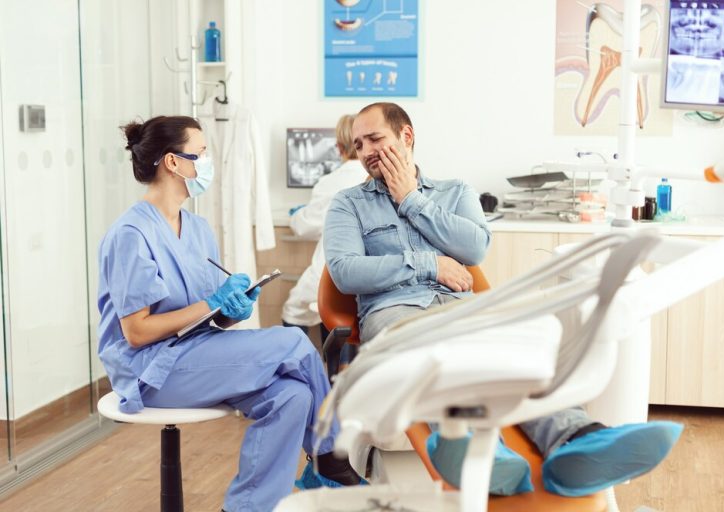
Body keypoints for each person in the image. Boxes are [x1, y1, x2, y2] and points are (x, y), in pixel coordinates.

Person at [323, 102, 683, 497]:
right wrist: (430, 264)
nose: (367, 151)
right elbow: (345, 270)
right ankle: (482, 454)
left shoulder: (454, 192)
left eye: (376, 138)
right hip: (395, 314)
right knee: (428, 354)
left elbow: (475, 248)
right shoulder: (348, 204)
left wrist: (411, 198)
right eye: (359, 145)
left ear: (406, 136)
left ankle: (579, 440)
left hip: (463, 305)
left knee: (521, 349)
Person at [97, 115, 361, 512]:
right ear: (173, 162)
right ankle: (332, 458)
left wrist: (231, 309)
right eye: (201, 153)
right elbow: (136, 331)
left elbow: (206, 317)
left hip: (198, 355)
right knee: (291, 340)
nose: (207, 162)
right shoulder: (131, 234)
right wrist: (212, 303)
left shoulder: (198, 228)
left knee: (292, 395)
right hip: (151, 370)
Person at [282, 114, 368, 341]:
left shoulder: (332, 182)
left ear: (339, 147)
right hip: (367, 275)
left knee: (294, 308)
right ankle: (338, 366)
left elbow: (305, 226)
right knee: (336, 313)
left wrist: (297, 215)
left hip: (332, 272)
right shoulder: (377, 177)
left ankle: (301, 368)